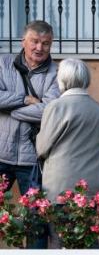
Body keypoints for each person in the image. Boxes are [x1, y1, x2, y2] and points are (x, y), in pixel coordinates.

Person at [35, 58, 99, 248]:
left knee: (61, 242)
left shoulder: (56, 106)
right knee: (87, 238)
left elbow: (42, 148)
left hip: (61, 186)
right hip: (92, 186)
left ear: (63, 80)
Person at [0, 20, 60, 192]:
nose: (39, 48)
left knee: (37, 215)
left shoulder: (56, 73)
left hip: (33, 158)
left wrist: (9, 109)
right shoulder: (3, 64)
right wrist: (27, 99)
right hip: (1, 154)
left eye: (45, 43)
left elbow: (49, 111)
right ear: (23, 41)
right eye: (34, 41)